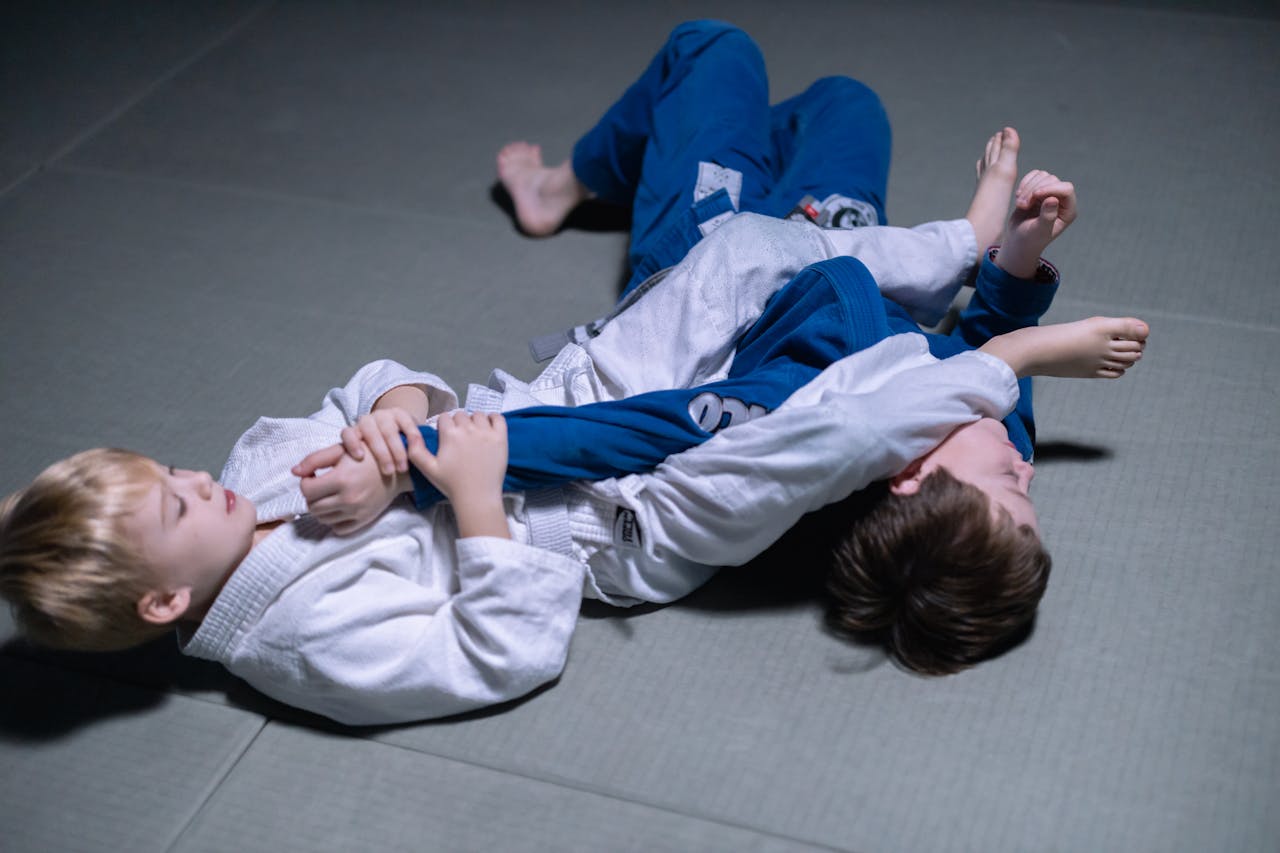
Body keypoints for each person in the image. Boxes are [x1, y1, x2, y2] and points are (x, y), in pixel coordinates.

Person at [0, 23, 1147, 725]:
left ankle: (573, 185)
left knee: (716, 53)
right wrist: (472, 498)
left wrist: (396, 418)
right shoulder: (305, 643)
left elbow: (388, 384)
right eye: (175, 496)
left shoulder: (250, 481)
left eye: (168, 469)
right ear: (164, 601)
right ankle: (797, 200)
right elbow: (500, 649)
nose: (204, 471)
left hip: (695, 317)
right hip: (735, 322)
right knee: (843, 108)